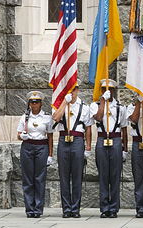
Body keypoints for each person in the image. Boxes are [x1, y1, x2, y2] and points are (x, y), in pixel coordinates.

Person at [52, 79, 93, 218]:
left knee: (77, 176)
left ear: (78, 90)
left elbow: (88, 128)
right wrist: (65, 101)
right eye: (70, 89)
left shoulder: (84, 106)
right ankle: (66, 209)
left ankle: (75, 209)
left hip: (77, 141)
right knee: (64, 176)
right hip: (64, 140)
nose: (73, 92)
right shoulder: (60, 104)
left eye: (74, 89)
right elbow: (56, 118)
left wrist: (88, 147)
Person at [90, 79, 128, 218]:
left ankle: (114, 208)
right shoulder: (95, 105)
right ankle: (105, 207)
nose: (108, 91)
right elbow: (99, 118)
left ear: (114, 90)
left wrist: (125, 150)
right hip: (102, 139)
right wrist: (103, 102)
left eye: (110, 89)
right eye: (105, 89)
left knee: (115, 176)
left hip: (116, 139)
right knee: (103, 176)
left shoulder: (120, 107)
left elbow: (124, 128)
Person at [17, 91, 54, 218]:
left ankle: (38, 209)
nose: (34, 104)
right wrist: (22, 136)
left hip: (41, 147)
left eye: (37, 102)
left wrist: (50, 154)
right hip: (27, 147)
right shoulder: (25, 117)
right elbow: (18, 134)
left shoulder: (47, 117)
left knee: (39, 179)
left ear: (41, 103)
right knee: (28, 179)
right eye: (32, 102)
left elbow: (50, 136)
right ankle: (29, 209)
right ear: (29, 104)